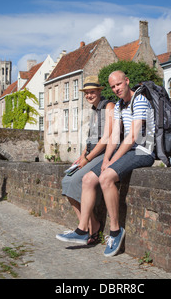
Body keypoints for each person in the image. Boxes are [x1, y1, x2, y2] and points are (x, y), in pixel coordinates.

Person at [56, 70, 155, 257]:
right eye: (113, 86)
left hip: (142, 151)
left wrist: (112, 162)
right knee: (87, 179)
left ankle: (116, 231)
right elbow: (115, 136)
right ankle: (82, 230)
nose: (116, 89)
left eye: (119, 84)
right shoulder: (119, 105)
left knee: (107, 177)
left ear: (127, 81)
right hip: (126, 150)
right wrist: (107, 158)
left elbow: (133, 136)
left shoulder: (140, 100)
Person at [56, 76, 114, 245]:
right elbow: (91, 139)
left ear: (99, 91)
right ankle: (92, 225)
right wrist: (81, 157)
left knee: (76, 181)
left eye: (92, 92)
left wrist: (87, 158)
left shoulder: (108, 106)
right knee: (66, 181)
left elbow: (106, 138)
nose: (89, 95)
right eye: (86, 93)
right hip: (92, 153)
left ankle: (87, 230)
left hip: (103, 154)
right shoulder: (95, 110)